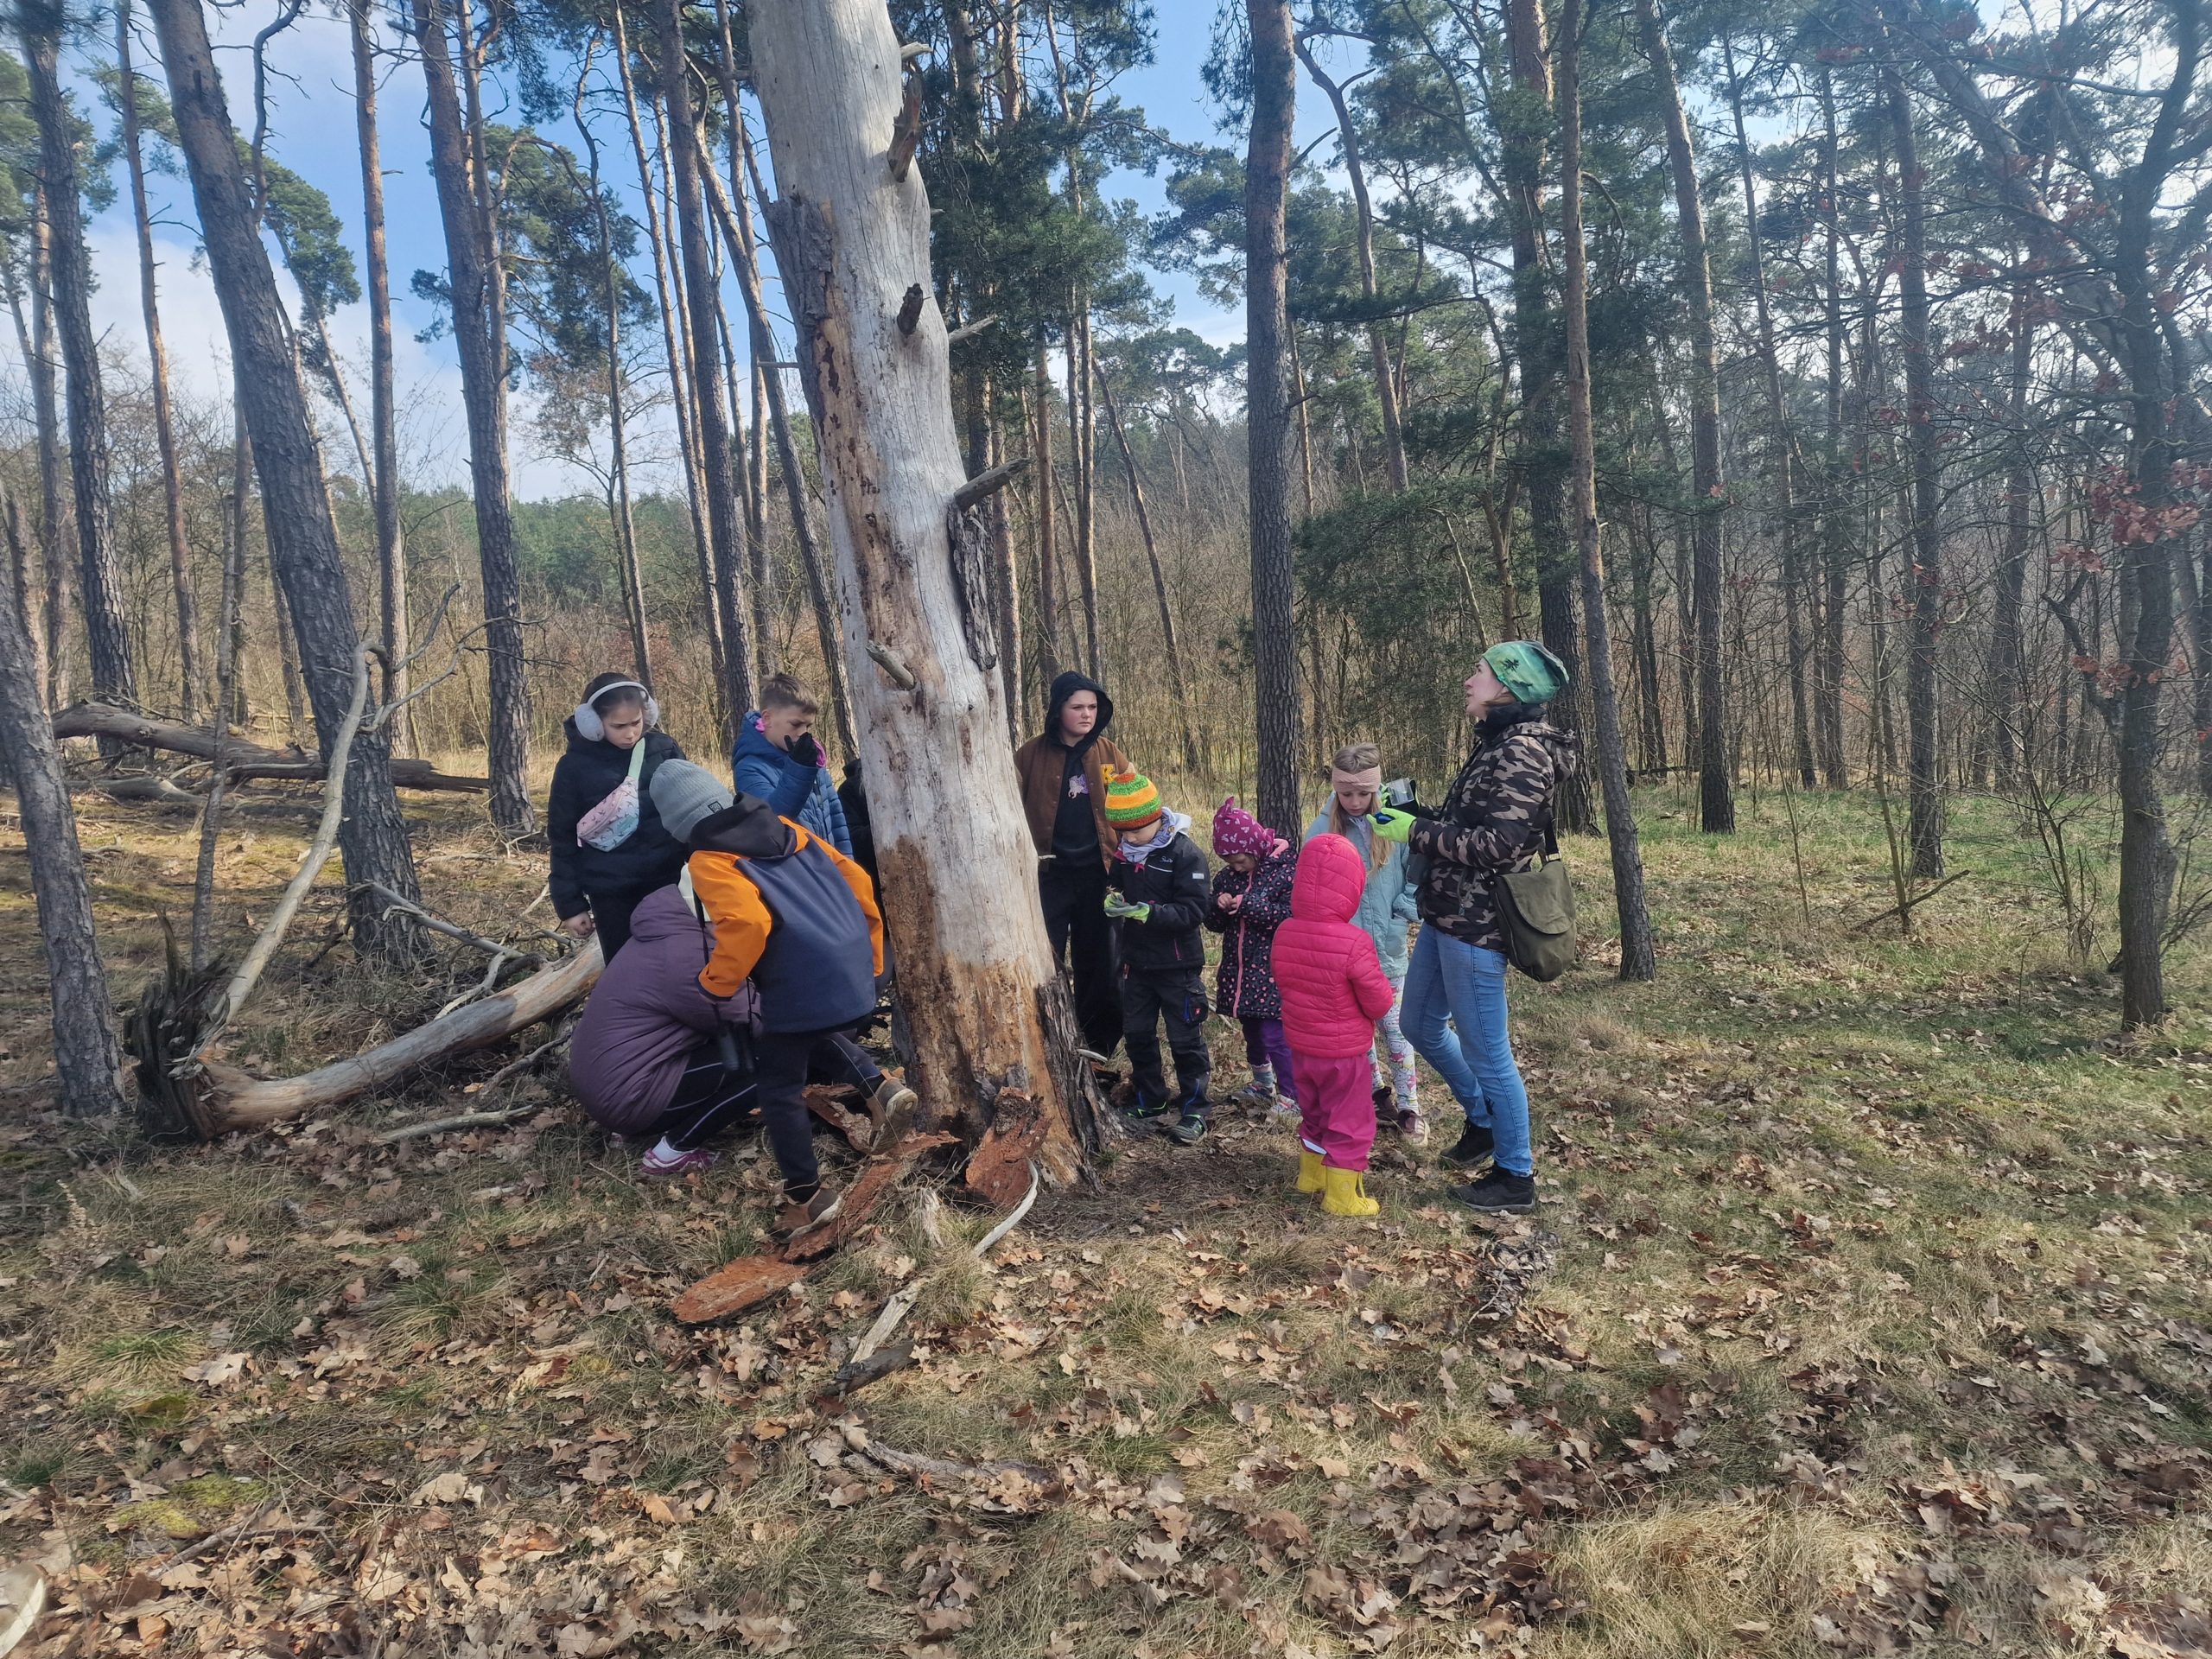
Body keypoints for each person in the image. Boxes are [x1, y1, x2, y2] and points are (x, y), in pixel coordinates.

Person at [649, 760, 903, 1236]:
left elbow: (748, 924)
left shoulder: (710, 860)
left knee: (780, 1088)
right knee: (812, 1031)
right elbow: (860, 883)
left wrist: (716, 983)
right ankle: (880, 1088)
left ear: (677, 825)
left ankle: (807, 1198)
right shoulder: (786, 827)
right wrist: (869, 961)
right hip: (848, 965)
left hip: (795, 977)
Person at [1370, 642, 1577, 1214]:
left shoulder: (1523, 754)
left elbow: (1501, 847)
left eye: (1479, 672)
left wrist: (1414, 835)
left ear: (1507, 687)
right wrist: (1417, 818)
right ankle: (1482, 1122)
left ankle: (1516, 1176)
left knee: (1490, 1054)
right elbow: (1470, 827)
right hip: (1445, 914)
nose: (1468, 680)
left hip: (1479, 925)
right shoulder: (1497, 744)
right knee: (1418, 1024)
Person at [567, 887, 907, 1177]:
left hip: (611, 1077)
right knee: (776, 1057)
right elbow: (772, 1021)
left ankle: (872, 1085)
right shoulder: (691, 958)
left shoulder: (670, 925)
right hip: (628, 1094)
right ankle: (671, 1151)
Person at [1273, 833, 1398, 1217]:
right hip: (1344, 1054)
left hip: (1301, 1046)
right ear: (1351, 889)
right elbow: (1379, 1000)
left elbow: (1284, 979)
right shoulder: (1354, 942)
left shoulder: (1285, 932)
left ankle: (1311, 1176)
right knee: (1350, 1119)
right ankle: (1342, 1197)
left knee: (1314, 1112)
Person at [1305, 744, 1425, 1144]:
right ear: (1336, 790)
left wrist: (1403, 908)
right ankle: (1377, 1094)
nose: (1355, 802)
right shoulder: (1321, 831)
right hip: (1342, 955)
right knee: (1358, 1032)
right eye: (1347, 794)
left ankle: (1410, 1106)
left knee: (1397, 1029)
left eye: (1363, 794)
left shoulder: (1396, 824)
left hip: (1387, 952)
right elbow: (1308, 886)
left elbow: (1417, 869)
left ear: (1375, 789)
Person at [1013, 672, 1130, 1065]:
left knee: (1101, 961)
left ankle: (1097, 1045)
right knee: (1043, 959)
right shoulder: (1030, 755)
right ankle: (1041, 1038)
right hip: (1047, 876)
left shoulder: (1110, 754)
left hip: (1100, 875)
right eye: (1077, 707)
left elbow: (1136, 809)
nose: (1086, 715)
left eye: (1092, 707)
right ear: (1058, 709)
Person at [1101, 766, 1214, 1143]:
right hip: (1136, 963)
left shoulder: (1185, 853)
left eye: (1137, 830)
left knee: (1185, 1039)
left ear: (1156, 818)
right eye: (1124, 832)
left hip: (1178, 965)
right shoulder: (1125, 851)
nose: (1130, 837)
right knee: (1138, 1034)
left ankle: (1196, 1107)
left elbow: (1195, 910)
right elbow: (1115, 882)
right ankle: (1151, 1097)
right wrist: (1113, 900)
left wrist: (1149, 912)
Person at [546, 673, 688, 960]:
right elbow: (562, 839)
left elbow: (690, 812)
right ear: (593, 724)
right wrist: (571, 905)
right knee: (626, 970)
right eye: (618, 726)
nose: (630, 733)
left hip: (669, 882)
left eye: (636, 723)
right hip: (611, 894)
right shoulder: (573, 768)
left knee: (677, 963)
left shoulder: (663, 749)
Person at [1206, 798, 1299, 1119]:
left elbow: (1289, 918)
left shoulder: (1285, 872)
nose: (1235, 867)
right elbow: (1214, 925)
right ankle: (1263, 1084)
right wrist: (1218, 906)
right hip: (1240, 970)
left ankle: (1291, 1094)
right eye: (1229, 862)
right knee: (1252, 1031)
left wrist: (1248, 905)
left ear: (1255, 847)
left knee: (1275, 1033)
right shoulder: (1227, 878)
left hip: (1274, 970)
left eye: (1239, 860)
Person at [731, 673, 851, 855]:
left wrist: (847, 866)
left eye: (808, 726)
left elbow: (836, 819)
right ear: (767, 718)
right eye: (796, 724)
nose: (803, 733)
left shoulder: (812, 759)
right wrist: (799, 770)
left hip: (829, 866)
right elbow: (772, 820)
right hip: (794, 873)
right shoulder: (749, 767)